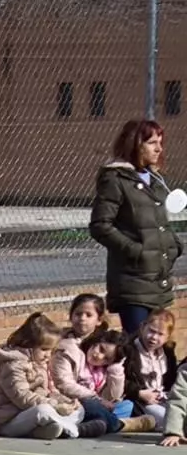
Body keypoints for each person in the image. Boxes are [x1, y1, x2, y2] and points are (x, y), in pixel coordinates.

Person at [89, 121, 180, 338]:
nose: (159, 149)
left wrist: (174, 245)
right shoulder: (116, 179)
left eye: (160, 143)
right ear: (135, 144)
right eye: (152, 143)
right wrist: (135, 250)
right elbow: (100, 226)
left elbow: (159, 224)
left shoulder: (156, 180)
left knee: (159, 349)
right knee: (137, 348)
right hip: (133, 284)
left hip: (159, 280)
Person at [0, 313, 83, 440]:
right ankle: (72, 428)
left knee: (80, 408)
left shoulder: (38, 362)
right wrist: (55, 406)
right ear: (28, 344)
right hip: (7, 422)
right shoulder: (12, 366)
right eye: (44, 349)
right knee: (42, 411)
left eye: (50, 350)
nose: (48, 355)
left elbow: (48, 392)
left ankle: (42, 430)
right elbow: (23, 398)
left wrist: (64, 401)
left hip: (28, 415)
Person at [126, 308, 178, 428]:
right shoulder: (129, 350)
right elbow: (121, 379)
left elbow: (173, 380)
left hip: (165, 398)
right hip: (143, 401)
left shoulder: (168, 353)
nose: (154, 337)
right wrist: (138, 393)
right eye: (151, 331)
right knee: (168, 420)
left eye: (160, 334)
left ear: (168, 336)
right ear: (143, 326)